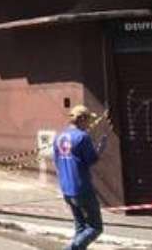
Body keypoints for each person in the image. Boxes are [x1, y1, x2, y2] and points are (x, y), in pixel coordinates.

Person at [53, 105, 108, 250]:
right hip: (82, 188)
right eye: (88, 119)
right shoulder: (82, 137)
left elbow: (56, 161)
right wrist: (100, 149)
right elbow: (91, 160)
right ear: (81, 119)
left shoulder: (59, 137)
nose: (89, 123)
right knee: (95, 227)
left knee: (81, 227)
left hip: (66, 189)